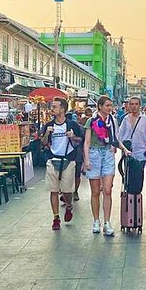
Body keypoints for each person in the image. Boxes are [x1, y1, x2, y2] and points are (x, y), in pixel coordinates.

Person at [83, 95, 131, 236]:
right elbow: (86, 142)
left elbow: (115, 139)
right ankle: (96, 220)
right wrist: (86, 160)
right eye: (107, 105)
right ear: (100, 107)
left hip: (108, 154)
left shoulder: (113, 121)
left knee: (108, 190)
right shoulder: (91, 121)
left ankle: (107, 222)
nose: (110, 108)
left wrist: (124, 149)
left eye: (110, 105)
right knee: (95, 191)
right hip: (94, 154)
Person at [42, 98, 84, 230]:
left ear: (62, 109)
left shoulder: (72, 124)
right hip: (52, 159)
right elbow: (43, 143)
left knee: (67, 190)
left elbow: (80, 140)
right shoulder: (49, 125)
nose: (52, 109)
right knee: (53, 190)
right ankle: (56, 217)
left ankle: (69, 205)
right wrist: (47, 133)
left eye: (55, 107)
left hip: (68, 159)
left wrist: (72, 137)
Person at [118, 96, 146, 192]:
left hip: (141, 153)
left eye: (136, 104)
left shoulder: (145, 120)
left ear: (140, 106)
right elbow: (120, 137)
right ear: (129, 106)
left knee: (138, 179)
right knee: (128, 178)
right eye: (132, 104)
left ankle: (137, 200)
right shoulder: (125, 119)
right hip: (128, 153)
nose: (134, 106)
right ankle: (129, 202)